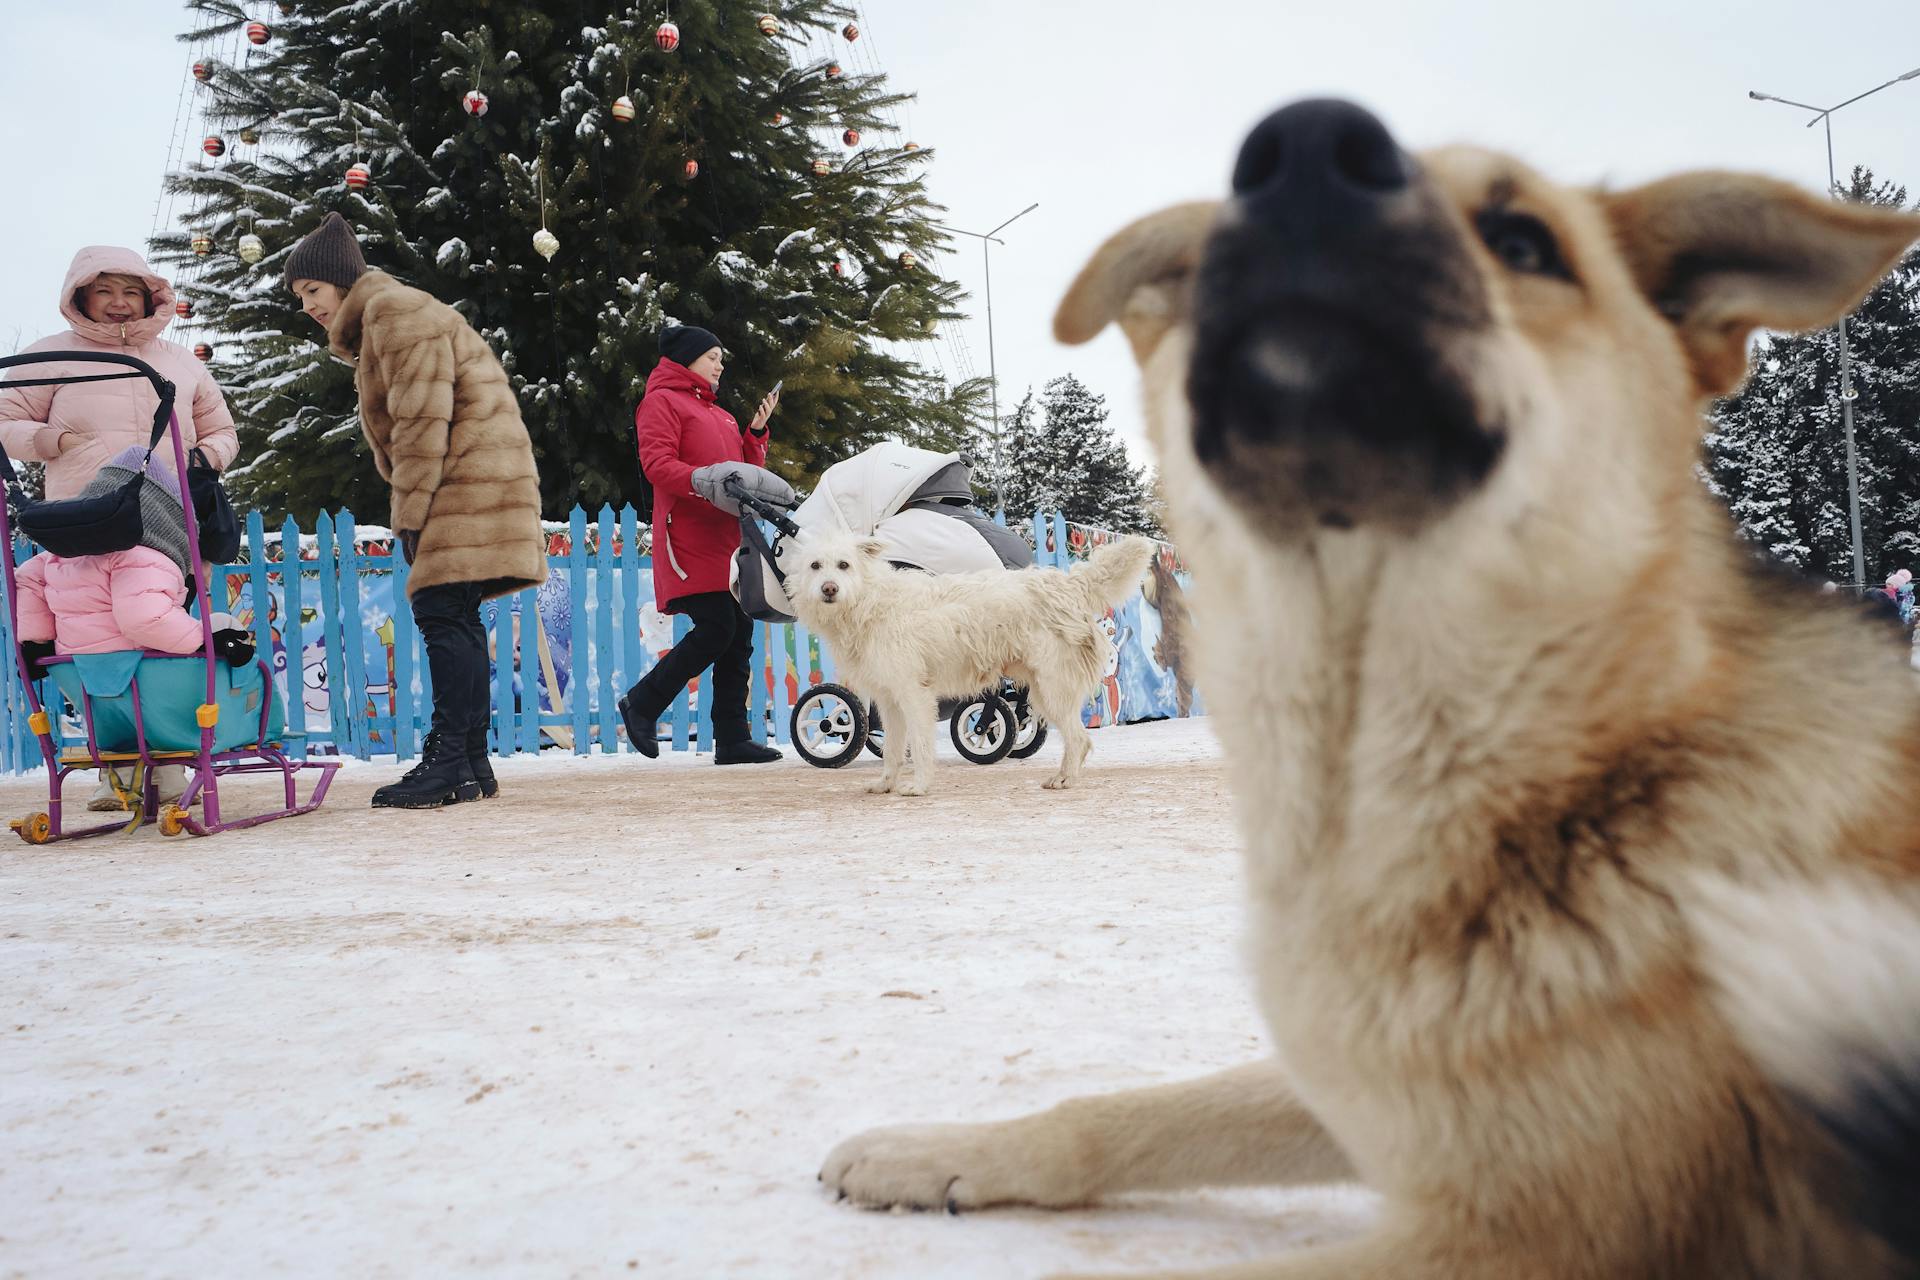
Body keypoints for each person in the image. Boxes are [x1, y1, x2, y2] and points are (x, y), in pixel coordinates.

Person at [285, 212, 547, 808]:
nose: (308, 306)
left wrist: (410, 510)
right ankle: (470, 759)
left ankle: (451, 758)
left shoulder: (393, 312)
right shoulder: (390, 312)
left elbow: (420, 418)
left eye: (313, 292)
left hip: (465, 477)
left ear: (342, 280)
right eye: (301, 297)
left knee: (440, 610)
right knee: (453, 613)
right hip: (479, 473)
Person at [0, 246, 239, 810]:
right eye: (104, 290)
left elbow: (222, 430)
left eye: (130, 291)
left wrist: (203, 459)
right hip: (83, 518)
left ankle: (174, 766)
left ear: (150, 297)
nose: (118, 303)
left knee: (163, 632)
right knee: (95, 638)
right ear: (80, 296)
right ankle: (119, 772)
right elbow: (6, 419)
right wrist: (54, 442)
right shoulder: (51, 356)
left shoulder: (180, 360)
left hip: (167, 518)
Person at [618, 326, 783, 764]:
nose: (720, 363)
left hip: (727, 537)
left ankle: (732, 738)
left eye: (721, 357)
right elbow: (656, 465)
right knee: (716, 628)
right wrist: (699, 481)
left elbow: (745, 474)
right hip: (687, 536)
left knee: (738, 632)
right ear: (686, 359)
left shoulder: (723, 415)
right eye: (712, 355)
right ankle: (642, 703)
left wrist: (755, 432)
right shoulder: (661, 402)